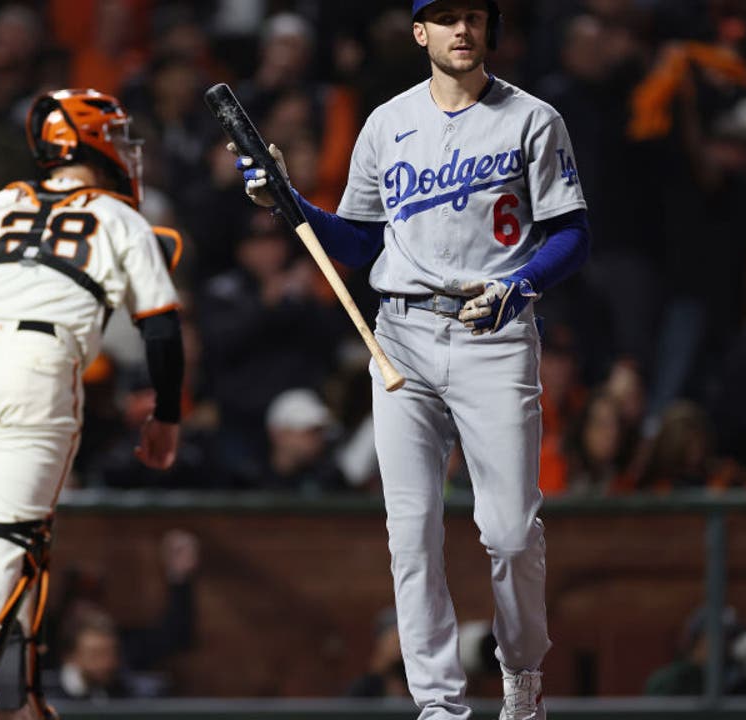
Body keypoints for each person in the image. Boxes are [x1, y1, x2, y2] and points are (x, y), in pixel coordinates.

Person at [228, 2, 590, 717]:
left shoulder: (532, 118)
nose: (463, 29)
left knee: (511, 533)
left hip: (494, 334)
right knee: (411, 530)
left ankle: (522, 676)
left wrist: (522, 286)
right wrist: (288, 203)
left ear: (490, 29)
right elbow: (362, 242)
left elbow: (572, 231)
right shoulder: (387, 122)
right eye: (445, 16)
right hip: (400, 335)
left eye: (474, 16)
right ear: (420, 32)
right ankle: (438, 705)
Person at [0, 88, 184, 720]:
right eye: (116, 135)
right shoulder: (119, 218)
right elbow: (162, 327)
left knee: (14, 534)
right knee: (8, 536)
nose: (126, 149)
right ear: (91, 140)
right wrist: (166, 415)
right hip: (37, 367)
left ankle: (17, 693)